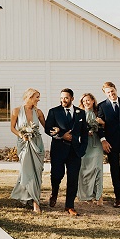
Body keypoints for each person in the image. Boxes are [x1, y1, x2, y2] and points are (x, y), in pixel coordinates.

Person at [45, 88, 88, 216]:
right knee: (57, 175)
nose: (63, 100)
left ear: (72, 99)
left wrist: (82, 148)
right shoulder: (54, 111)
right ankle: (54, 192)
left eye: (66, 98)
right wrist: (62, 135)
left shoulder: (81, 113)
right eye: (62, 98)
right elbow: (48, 129)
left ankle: (70, 205)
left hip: (75, 151)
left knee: (73, 179)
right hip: (59, 149)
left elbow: (84, 133)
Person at [10, 88, 45, 214]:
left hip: (37, 144)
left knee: (37, 172)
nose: (38, 99)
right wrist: (21, 135)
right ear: (29, 97)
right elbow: (12, 128)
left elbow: (47, 127)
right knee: (26, 171)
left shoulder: (39, 112)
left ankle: (35, 201)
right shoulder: (17, 111)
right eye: (37, 97)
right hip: (24, 144)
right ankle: (29, 197)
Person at [77, 93, 104, 205]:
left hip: (97, 144)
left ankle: (99, 196)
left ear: (93, 100)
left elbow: (107, 127)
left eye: (88, 100)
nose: (86, 103)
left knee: (97, 168)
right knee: (85, 169)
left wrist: (102, 123)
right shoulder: (80, 114)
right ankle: (86, 195)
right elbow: (76, 129)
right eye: (84, 101)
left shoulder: (99, 113)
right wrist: (85, 132)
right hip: (85, 145)